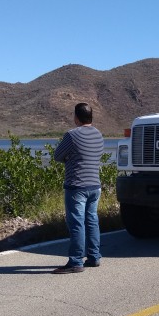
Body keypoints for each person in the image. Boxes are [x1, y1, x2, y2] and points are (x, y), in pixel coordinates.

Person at [52, 102, 105, 273]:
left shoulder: (72, 135)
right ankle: (94, 257)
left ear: (76, 117)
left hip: (77, 186)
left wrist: (71, 159)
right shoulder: (98, 134)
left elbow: (57, 156)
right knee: (92, 221)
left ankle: (75, 261)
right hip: (95, 185)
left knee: (76, 223)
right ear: (91, 117)